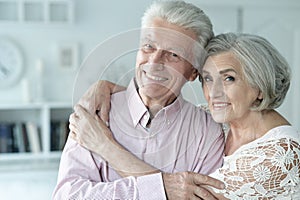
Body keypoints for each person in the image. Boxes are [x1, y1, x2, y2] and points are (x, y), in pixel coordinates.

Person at [70, 32, 300, 199]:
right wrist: (105, 86)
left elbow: (182, 194)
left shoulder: (280, 155)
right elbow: (157, 101)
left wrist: (104, 145)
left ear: (259, 86)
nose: (214, 93)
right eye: (208, 79)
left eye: (229, 78)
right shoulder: (217, 121)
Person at [53, 1, 226, 199]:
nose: (154, 62)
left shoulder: (207, 132)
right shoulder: (95, 113)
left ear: (193, 72)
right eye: (148, 46)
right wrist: (164, 189)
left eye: (173, 54)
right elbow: (69, 196)